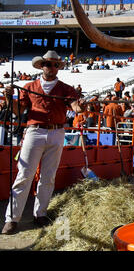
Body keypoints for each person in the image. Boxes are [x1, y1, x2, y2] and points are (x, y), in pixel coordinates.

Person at [1, 50, 85, 235]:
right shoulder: (30, 86)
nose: (52, 67)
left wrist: (80, 106)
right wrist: (9, 98)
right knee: (24, 175)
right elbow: (17, 110)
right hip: (34, 132)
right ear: (41, 66)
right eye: (48, 64)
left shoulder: (67, 88)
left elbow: (75, 107)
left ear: (58, 68)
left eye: (55, 64)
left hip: (57, 132)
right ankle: (11, 219)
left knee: (48, 176)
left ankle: (40, 214)